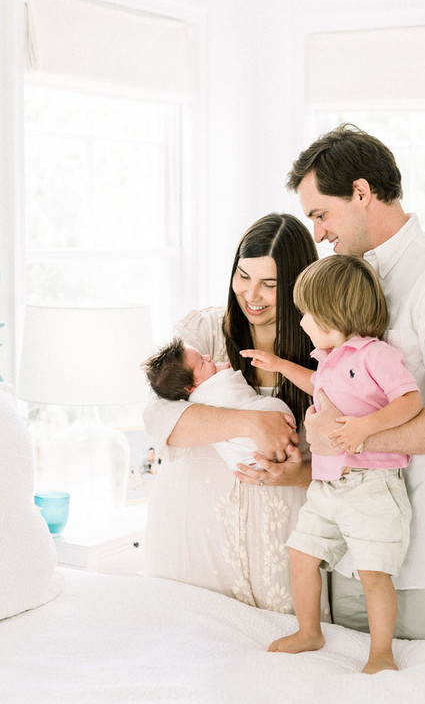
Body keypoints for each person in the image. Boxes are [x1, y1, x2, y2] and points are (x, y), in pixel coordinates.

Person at [286, 123, 425, 642]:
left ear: (361, 193)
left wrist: (347, 436)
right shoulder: (341, 281)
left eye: (321, 213)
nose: (317, 233)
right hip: (354, 553)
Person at [242, 255, 422, 673]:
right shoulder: (330, 360)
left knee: (373, 572)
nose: (302, 322)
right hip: (326, 486)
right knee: (301, 554)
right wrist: (282, 367)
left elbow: (409, 399)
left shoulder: (375, 355)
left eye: (308, 314)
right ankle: (310, 632)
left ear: (337, 314)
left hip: (371, 484)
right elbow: (316, 383)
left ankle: (381, 653)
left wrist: (366, 428)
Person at [142, 213, 324, 615]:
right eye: (242, 276)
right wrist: (249, 423)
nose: (251, 295)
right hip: (196, 528)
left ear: (297, 283)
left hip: (282, 527)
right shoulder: (204, 331)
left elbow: (356, 442)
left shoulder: (323, 342)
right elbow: (159, 418)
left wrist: (304, 473)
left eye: (269, 284)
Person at [143, 337, 294, 470]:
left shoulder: (206, 379)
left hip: (246, 458)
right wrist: (224, 371)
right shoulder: (204, 396)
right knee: (273, 410)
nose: (208, 357)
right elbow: (232, 396)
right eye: (202, 362)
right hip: (248, 448)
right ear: (190, 388)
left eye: (203, 356)